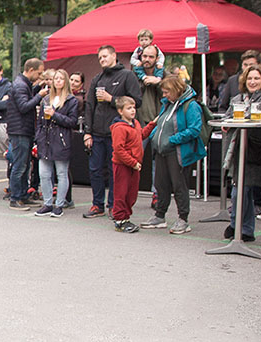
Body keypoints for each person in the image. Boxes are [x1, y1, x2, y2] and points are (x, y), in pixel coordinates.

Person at [138, 75, 204, 235]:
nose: (164, 95)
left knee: (179, 186)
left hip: (178, 152)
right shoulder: (168, 104)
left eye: (167, 91)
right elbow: (161, 123)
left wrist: (173, 140)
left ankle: (183, 219)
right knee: (161, 184)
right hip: (162, 151)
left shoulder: (191, 105)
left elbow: (195, 129)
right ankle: (160, 216)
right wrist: (155, 136)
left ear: (176, 89)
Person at [84, 46, 142, 218]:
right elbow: (89, 106)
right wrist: (87, 131)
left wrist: (112, 99)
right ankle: (97, 204)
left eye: (105, 56)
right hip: (97, 132)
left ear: (114, 56)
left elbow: (137, 101)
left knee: (114, 171)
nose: (102, 60)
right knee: (95, 170)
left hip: (118, 133)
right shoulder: (97, 78)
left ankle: (113, 205)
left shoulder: (127, 76)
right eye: (100, 57)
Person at [222, 64, 261, 243]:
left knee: (243, 191)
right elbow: (228, 116)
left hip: (255, 149)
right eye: (250, 78)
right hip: (237, 149)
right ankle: (242, 227)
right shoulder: (238, 98)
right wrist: (225, 122)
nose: (252, 82)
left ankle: (239, 226)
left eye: (256, 78)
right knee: (241, 190)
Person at [33, 69, 79, 218]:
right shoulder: (46, 99)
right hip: (45, 140)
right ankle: (47, 203)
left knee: (61, 173)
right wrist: (38, 137)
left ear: (65, 81)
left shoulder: (71, 100)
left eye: (61, 78)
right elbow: (40, 121)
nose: (58, 81)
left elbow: (72, 122)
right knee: (44, 174)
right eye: (56, 79)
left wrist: (55, 115)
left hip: (61, 139)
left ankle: (59, 204)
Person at [109, 97, 156, 232]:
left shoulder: (135, 124)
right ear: (120, 111)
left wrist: (152, 124)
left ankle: (126, 217)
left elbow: (140, 135)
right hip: (123, 165)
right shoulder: (119, 128)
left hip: (134, 165)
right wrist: (132, 162)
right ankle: (119, 219)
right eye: (129, 108)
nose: (133, 111)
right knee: (121, 192)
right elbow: (119, 149)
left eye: (133, 107)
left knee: (131, 193)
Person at [5, 59, 47, 209]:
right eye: (39, 72)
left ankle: (23, 195)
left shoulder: (23, 84)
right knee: (19, 165)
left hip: (24, 129)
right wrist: (40, 95)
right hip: (20, 130)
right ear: (30, 70)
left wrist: (35, 91)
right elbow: (24, 106)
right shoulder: (20, 85)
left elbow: (25, 100)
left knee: (24, 165)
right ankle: (15, 198)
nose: (40, 75)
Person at [133, 45, 165, 124]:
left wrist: (158, 83)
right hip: (138, 124)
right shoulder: (132, 76)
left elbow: (172, 96)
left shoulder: (165, 76)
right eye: (145, 56)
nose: (147, 59)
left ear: (157, 59)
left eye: (151, 57)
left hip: (159, 123)